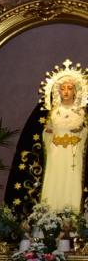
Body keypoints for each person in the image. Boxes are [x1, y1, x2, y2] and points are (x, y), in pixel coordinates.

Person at [42, 69, 86, 213]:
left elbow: (85, 132)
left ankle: (72, 213)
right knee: (55, 180)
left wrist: (82, 131)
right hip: (56, 153)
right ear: (58, 92)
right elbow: (48, 133)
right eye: (62, 88)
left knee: (71, 181)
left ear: (75, 91)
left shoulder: (80, 112)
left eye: (70, 88)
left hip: (73, 154)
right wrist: (47, 133)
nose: (66, 91)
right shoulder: (54, 113)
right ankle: (50, 215)